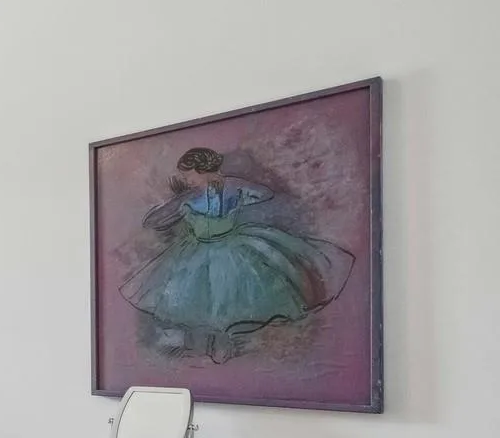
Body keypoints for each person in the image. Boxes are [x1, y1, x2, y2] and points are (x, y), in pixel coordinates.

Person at [120, 147, 354, 362]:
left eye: (190, 175)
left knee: (229, 297)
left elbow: (264, 193)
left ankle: (225, 345)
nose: (187, 181)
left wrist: (235, 192)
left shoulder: (231, 186)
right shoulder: (191, 196)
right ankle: (205, 343)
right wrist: (181, 202)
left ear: (203, 170)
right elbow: (153, 221)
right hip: (197, 253)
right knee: (201, 299)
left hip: (233, 248)